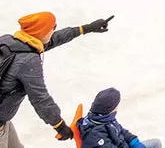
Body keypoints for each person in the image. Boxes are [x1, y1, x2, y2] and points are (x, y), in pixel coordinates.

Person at [0, 12, 115, 146]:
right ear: (41, 32)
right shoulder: (28, 61)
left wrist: (86, 28)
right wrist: (59, 125)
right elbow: (40, 99)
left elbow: (54, 39)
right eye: (52, 27)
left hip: (3, 119)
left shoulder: (10, 41)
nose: (54, 29)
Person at [74, 86, 161, 148]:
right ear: (111, 109)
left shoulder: (105, 118)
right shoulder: (95, 135)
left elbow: (122, 131)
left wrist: (135, 143)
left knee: (156, 143)